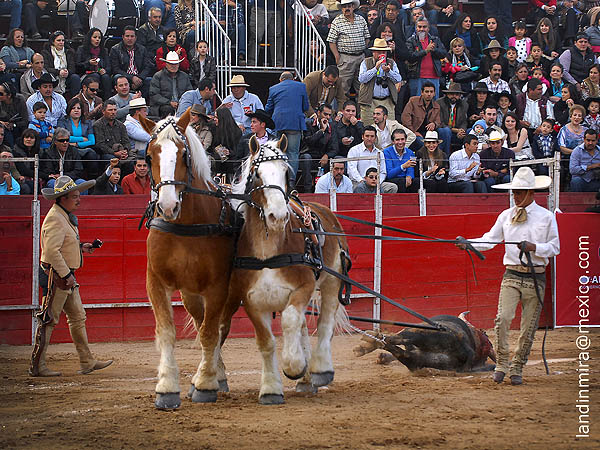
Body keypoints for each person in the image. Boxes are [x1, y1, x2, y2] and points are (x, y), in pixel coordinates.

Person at [456, 166, 559, 385]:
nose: (515, 196)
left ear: (531, 193)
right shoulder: (506, 216)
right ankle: (502, 364)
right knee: (502, 319)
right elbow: (490, 240)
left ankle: (518, 366)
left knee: (528, 326)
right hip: (512, 274)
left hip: (535, 277)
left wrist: (534, 247)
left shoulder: (546, 217)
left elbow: (555, 247)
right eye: (514, 192)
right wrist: (469, 244)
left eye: (519, 192)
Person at [29, 175, 113, 376]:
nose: (79, 199)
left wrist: (80, 247)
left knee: (77, 317)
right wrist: (67, 275)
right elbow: (51, 252)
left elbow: (61, 246)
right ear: (63, 197)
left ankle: (87, 362)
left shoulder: (63, 215)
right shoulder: (55, 218)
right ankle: (37, 366)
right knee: (49, 320)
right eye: (75, 196)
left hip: (65, 277)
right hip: (57, 277)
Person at [265, 71, 310, 185]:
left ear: (281, 80)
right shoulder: (301, 86)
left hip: (278, 123)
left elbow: (268, 108)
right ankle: (291, 181)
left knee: (276, 151)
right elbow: (305, 106)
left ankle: (277, 180)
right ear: (293, 79)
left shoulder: (273, 88)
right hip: (295, 124)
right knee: (293, 153)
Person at [327, 0, 370, 100]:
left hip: (361, 57)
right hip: (345, 58)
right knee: (342, 89)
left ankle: (361, 114)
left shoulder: (361, 19)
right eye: (344, 6)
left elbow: (367, 37)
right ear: (341, 8)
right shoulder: (337, 21)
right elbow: (331, 41)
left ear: (353, 7)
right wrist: (337, 56)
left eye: (349, 6)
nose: (347, 8)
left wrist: (362, 49)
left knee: (362, 88)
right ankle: (340, 113)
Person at [358, 38, 403, 126]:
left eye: (384, 52)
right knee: (368, 127)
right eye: (379, 52)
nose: (382, 54)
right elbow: (362, 79)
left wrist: (389, 71)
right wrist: (375, 69)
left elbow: (398, 79)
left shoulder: (391, 63)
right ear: (373, 52)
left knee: (390, 127)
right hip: (370, 102)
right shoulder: (366, 62)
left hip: (387, 101)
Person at [401, 82, 452, 155]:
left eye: (431, 92)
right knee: (423, 143)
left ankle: (444, 158)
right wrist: (413, 132)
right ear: (422, 92)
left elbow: (439, 121)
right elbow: (405, 118)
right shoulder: (413, 101)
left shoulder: (436, 105)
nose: (429, 94)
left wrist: (434, 124)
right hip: (415, 132)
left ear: (434, 93)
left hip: (429, 134)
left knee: (446, 131)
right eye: (427, 91)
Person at [298, 102, 339, 192]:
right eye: (325, 114)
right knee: (306, 158)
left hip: (323, 158)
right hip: (309, 156)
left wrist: (327, 155)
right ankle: (307, 190)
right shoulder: (308, 124)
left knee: (336, 160)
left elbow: (335, 147)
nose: (327, 117)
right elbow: (309, 142)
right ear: (318, 113)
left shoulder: (332, 127)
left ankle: (329, 191)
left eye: (329, 115)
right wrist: (321, 131)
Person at [347, 125, 397, 193]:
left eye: (372, 136)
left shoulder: (379, 153)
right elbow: (352, 170)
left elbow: (383, 172)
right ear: (362, 137)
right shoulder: (354, 150)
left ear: (375, 138)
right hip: (359, 182)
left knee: (392, 187)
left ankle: (383, 203)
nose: (369, 138)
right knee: (360, 188)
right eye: (367, 136)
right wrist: (362, 181)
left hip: (376, 183)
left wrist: (377, 182)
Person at [406, 17, 447, 99]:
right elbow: (410, 57)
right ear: (416, 28)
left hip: (434, 77)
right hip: (417, 77)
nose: (422, 29)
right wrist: (425, 51)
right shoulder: (411, 41)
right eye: (419, 27)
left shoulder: (435, 40)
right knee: (416, 104)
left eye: (424, 27)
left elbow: (443, 53)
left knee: (433, 104)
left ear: (428, 28)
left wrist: (433, 49)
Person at [57, 97, 98, 178]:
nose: (76, 110)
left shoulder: (87, 122)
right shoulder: (63, 121)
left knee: (91, 154)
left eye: (78, 108)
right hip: (68, 148)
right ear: (69, 110)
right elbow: (64, 137)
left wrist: (76, 144)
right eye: (73, 108)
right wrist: (82, 139)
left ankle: (92, 180)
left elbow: (92, 141)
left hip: (82, 148)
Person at [109, 26, 154, 98]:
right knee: (117, 77)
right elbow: (116, 69)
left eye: (132, 36)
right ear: (123, 37)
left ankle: (142, 103)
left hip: (139, 78)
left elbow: (148, 66)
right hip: (124, 76)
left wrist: (140, 78)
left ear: (136, 38)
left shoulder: (142, 49)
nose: (129, 39)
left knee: (150, 80)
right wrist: (132, 78)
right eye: (127, 36)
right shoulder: (115, 49)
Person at [149, 51, 192, 118]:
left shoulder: (184, 76)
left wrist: (182, 103)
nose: (173, 66)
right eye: (171, 64)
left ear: (178, 64)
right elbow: (154, 95)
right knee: (167, 109)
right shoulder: (158, 76)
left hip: (181, 104)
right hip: (163, 106)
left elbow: (189, 93)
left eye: (176, 64)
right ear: (166, 64)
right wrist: (169, 102)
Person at [41, 31, 81, 99]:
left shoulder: (69, 51)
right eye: (58, 40)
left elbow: (72, 68)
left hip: (66, 77)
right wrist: (58, 72)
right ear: (53, 42)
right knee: (50, 76)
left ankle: (75, 99)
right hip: (54, 75)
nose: (61, 42)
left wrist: (67, 72)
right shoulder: (46, 52)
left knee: (75, 77)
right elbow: (46, 67)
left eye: (63, 40)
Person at [74, 28, 111, 99]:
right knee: (95, 75)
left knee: (106, 77)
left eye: (99, 38)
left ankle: (107, 101)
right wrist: (89, 63)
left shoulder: (104, 51)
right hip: (85, 74)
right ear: (89, 38)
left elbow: (109, 67)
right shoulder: (81, 49)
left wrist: (104, 70)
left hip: (100, 74)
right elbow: (77, 66)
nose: (97, 39)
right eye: (95, 37)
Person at [437, 82, 468, 147]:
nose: (454, 96)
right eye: (451, 94)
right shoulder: (439, 103)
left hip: (457, 131)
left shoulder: (464, 104)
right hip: (443, 130)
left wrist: (462, 131)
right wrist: (455, 130)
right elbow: (440, 122)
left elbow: (464, 121)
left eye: (457, 94)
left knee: (470, 131)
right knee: (446, 131)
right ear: (447, 94)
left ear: (460, 96)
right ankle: (446, 155)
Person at [0, 81, 29, 147]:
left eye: (1, 94)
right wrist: (2, 123)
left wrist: (13, 125)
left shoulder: (20, 100)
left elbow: (25, 120)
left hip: (18, 127)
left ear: (9, 95)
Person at [12, 128, 41, 194]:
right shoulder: (16, 151)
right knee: (27, 187)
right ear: (23, 139)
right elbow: (23, 171)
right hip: (19, 178)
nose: (29, 139)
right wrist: (45, 175)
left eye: (32, 138)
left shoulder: (40, 152)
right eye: (26, 137)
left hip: (35, 177)